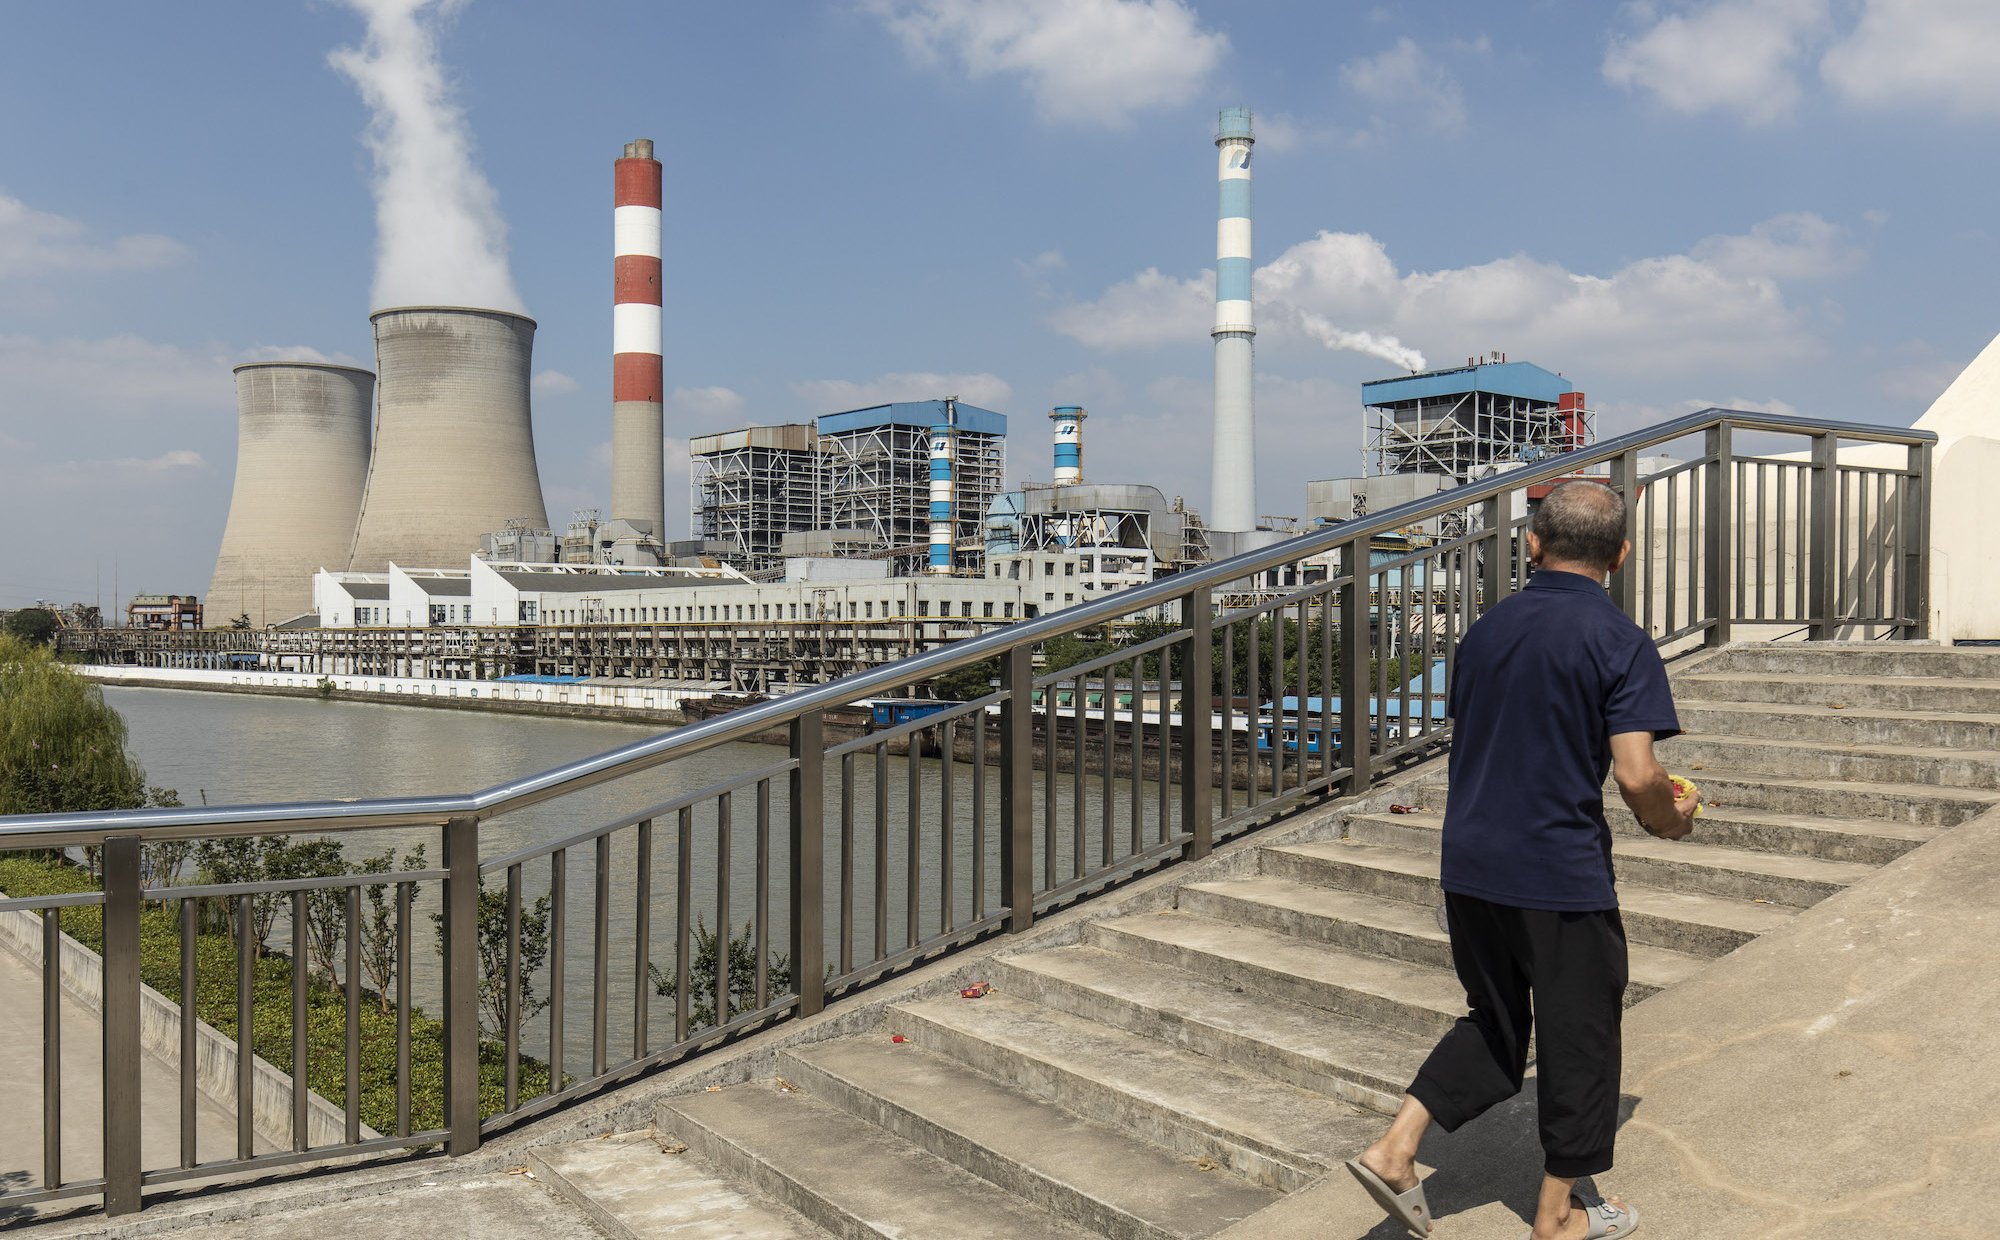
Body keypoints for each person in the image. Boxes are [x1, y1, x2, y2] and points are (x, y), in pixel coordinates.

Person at [1345, 481, 1699, 1240]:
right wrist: (1672, 819)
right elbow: (1638, 774)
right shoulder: (1620, 641)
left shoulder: (1486, 631)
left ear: (1532, 546)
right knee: (1582, 1035)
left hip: (1471, 860)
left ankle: (1396, 1148)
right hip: (1557, 869)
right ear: (1622, 555)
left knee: (1497, 1020)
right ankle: (1559, 1211)